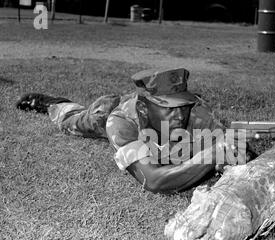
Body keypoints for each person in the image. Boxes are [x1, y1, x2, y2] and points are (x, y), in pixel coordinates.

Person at [16, 68, 253, 193]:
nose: (181, 115)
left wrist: (233, 154)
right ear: (143, 107)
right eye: (169, 108)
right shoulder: (120, 123)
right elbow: (153, 181)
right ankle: (50, 103)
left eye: (184, 105)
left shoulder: (197, 113)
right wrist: (211, 155)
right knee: (73, 122)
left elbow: (234, 149)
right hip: (107, 112)